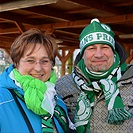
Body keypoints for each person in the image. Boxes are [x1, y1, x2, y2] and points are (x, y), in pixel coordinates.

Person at [55, 19, 133, 133]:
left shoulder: (130, 79)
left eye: (105, 47)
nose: (98, 54)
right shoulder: (62, 86)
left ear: (113, 51)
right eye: (91, 48)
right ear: (82, 54)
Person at [0, 28, 75, 133]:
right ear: (16, 63)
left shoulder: (57, 100)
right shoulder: (2, 99)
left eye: (44, 61)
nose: (38, 68)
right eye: (30, 60)